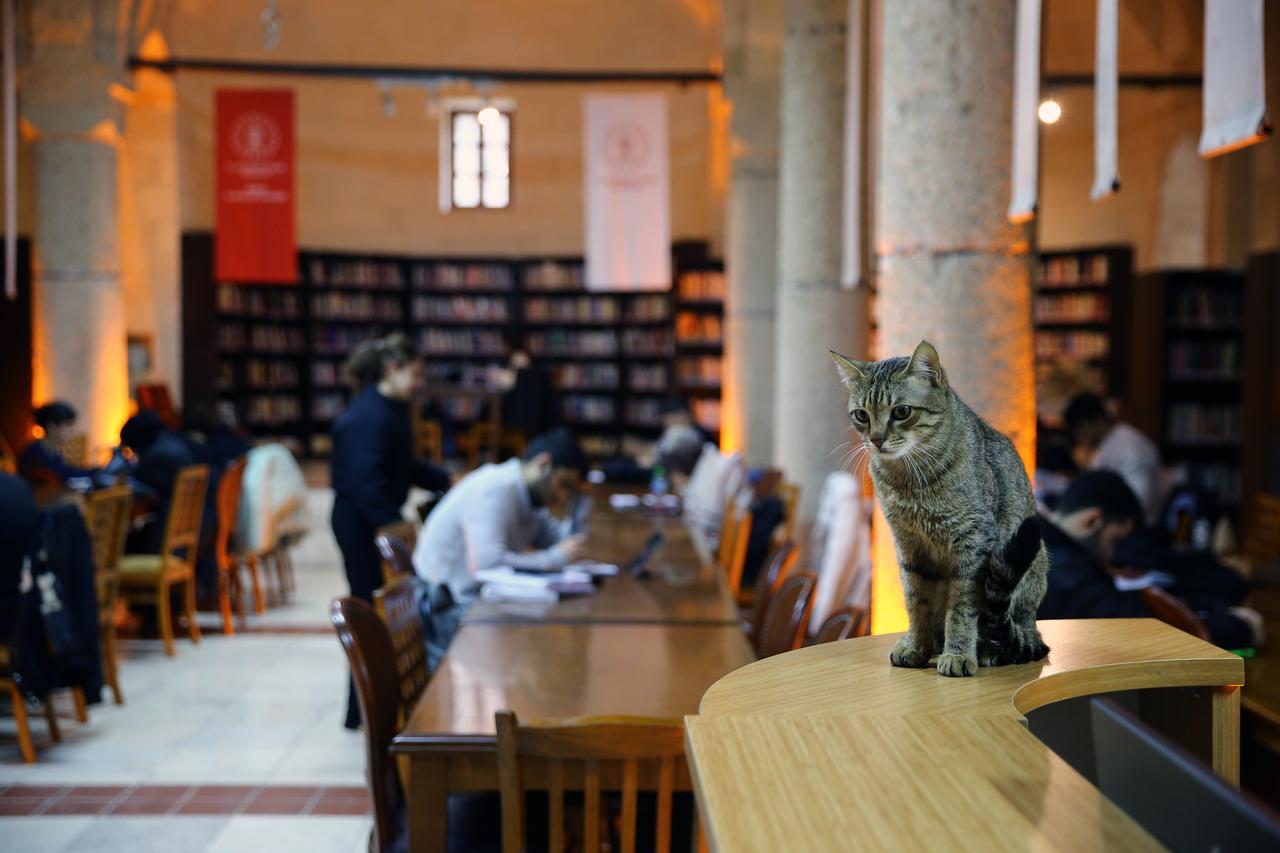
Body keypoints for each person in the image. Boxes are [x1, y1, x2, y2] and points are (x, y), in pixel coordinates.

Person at [331, 334, 450, 729]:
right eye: (414, 373)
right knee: (370, 615)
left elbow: (402, 466)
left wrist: (444, 479)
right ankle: (363, 712)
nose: (419, 383)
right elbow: (368, 487)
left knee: (382, 614)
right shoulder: (369, 415)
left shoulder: (389, 409)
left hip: (375, 518)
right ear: (391, 369)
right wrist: (396, 534)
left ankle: (370, 709)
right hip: (362, 523)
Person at [412, 427, 588, 669]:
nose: (563, 497)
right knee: (543, 656)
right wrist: (553, 559)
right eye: (564, 484)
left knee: (551, 649)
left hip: (482, 605)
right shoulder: (495, 489)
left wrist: (578, 516)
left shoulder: (530, 499)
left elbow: (557, 541)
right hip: (448, 611)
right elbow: (486, 566)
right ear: (543, 464)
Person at [1039, 471, 1262, 648]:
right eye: (1115, 540)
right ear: (1092, 521)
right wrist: (1240, 627)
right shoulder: (1060, 567)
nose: (1111, 555)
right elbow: (1135, 633)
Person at [1063, 392, 1162, 524]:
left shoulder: (1129, 446)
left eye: (1080, 428)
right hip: (1114, 523)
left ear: (1098, 421)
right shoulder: (1109, 443)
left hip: (1133, 528)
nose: (1078, 436)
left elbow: (1140, 502)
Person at [118, 410, 200, 554]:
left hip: (167, 536)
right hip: (186, 529)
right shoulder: (174, 444)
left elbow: (137, 480)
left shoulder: (157, 458)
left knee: (120, 545)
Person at [18, 401, 97, 490]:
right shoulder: (34, 453)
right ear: (52, 428)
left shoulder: (51, 450)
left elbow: (68, 471)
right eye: (68, 425)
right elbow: (61, 478)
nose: (72, 431)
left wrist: (96, 472)